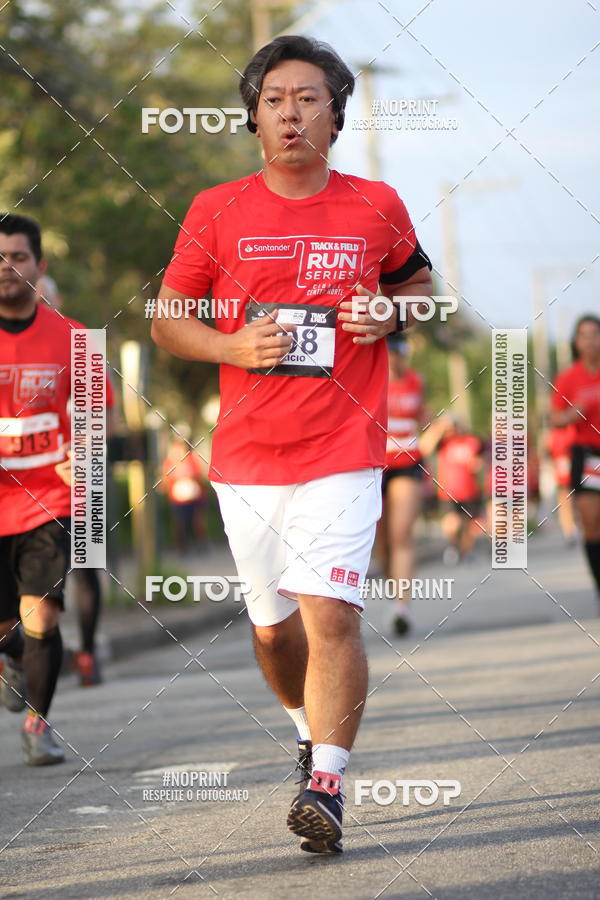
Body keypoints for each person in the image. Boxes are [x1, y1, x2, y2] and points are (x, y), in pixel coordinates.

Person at [151, 35, 433, 853]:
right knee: (275, 630)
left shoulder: (377, 204)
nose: (292, 113)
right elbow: (169, 320)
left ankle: (328, 784)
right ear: (253, 116)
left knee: (332, 615)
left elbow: (416, 284)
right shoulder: (217, 208)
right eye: (276, 100)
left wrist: (393, 313)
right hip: (247, 455)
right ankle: (305, 731)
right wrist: (229, 347)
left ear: (336, 114)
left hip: (345, 446)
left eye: (310, 98)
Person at [0, 213, 113, 764]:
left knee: (41, 613)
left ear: (38, 266)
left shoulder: (76, 340)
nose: (6, 269)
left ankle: (38, 725)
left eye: (17, 257)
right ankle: (11, 656)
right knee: (8, 627)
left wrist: (84, 459)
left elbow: (98, 421)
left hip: (49, 499)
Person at [34, 273, 107, 687]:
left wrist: (86, 456)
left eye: (46, 298)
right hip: (22, 482)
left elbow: (102, 409)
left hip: (77, 473)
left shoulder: (76, 338)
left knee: (86, 564)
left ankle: (88, 653)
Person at [379, 333, 428, 636]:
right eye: (391, 352)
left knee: (401, 534)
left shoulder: (415, 381)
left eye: (400, 352)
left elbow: (422, 417)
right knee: (381, 541)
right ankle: (392, 583)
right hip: (373, 464)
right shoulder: (371, 379)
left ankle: (402, 607)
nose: (396, 358)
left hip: (407, 462)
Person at [551, 315, 600, 601]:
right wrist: (573, 413)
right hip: (586, 455)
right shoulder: (569, 378)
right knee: (592, 523)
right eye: (584, 335)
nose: (591, 340)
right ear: (576, 342)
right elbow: (556, 418)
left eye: (595, 334)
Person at [434, 418, 485, 564]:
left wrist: (477, 465)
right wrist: (440, 428)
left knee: (467, 524)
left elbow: (480, 461)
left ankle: (466, 551)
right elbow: (427, 446)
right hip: (448, 491)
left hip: (469, 491)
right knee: (452, 522)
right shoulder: (443, 442)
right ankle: (452, 547)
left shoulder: (472, 441)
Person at [162, 426, 208, 555]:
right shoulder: (170, 461)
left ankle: (201, 544)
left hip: (194, 496)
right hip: (177, 498)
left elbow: (199, 475)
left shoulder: (192, 458)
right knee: (179, 523)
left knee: (197, 522)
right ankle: (181, 547)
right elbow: (166, 478)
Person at [547, 425, 577, 543]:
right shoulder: (554, 433)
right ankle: (569, 530)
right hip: (561, 470)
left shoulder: (573, 429)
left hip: (575, 467)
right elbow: (549, 451)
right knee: (564, 500)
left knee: (575, 500)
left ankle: (574, 527)